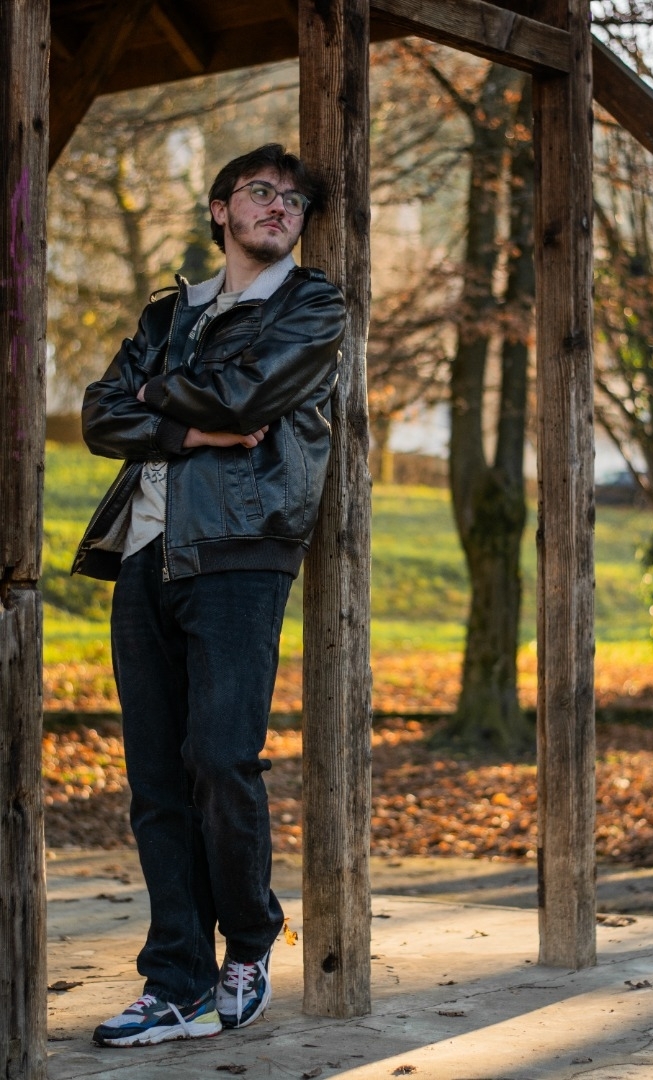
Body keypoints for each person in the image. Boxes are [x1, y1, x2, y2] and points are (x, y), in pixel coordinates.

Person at [72, 144, 345, 1048]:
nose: (280, 208)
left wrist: (160, 400)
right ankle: (176, 982)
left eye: (294, 201)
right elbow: (98, 415)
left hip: (240, 547)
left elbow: (244, 395)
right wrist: (192, 431)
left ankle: (250, 943)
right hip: (144, 552)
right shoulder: (169, 313)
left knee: (221, 761)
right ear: (221, 209)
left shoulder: (311, 304)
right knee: (156, 782)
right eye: (261, 192)